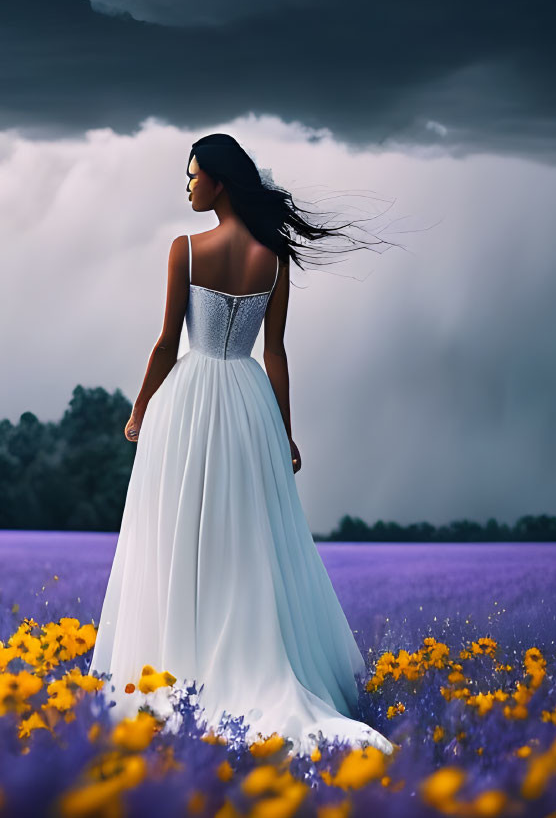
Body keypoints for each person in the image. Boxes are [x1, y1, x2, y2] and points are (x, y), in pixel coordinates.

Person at [87, 132, 394, 754]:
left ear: (219, 182)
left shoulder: (186, 251)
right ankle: (252, 661)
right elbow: (275, 353)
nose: (189, 185)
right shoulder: (274, 259)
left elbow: (166, 344)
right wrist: (285, 432)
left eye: (194, 175)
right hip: (248, 403)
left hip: (190, 399)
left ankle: (181, 670)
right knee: (248, 540)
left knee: (180, 537)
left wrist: (139, 409)